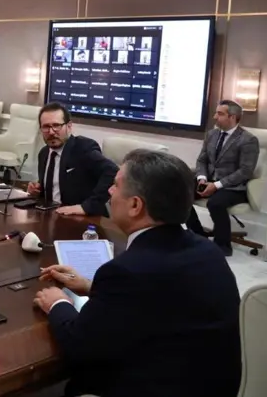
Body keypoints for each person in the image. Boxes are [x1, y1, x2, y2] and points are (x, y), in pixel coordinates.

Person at [34, 149, 241, 397]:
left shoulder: (127, 271)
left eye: (116, 185)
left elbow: (80, 346)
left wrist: (57, 303)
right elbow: (163, 302)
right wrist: (91, 287)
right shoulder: (208, 252)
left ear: (135, 205)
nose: (109, 191)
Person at [186, 100, 260, 256]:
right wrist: (201, 178)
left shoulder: (248, 140)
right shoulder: (211, 134)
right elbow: (202, 160)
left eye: (219, 114)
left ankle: (223, 246)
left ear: (232, 117)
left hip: (234, 186)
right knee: (180, 193)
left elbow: (245, 171)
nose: (214, 117)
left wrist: (217, 185)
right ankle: (198, 235)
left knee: (215, 203)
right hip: (209, 179)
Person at [26, 102, 118, 217]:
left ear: (69, 126)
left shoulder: (83, 148)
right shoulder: (44, 153)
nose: (51, 132)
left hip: (79, 219)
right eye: (46, 127)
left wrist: (86, 207)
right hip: (50, 215)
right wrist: (37, 191)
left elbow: (112, 171)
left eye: (56, 125)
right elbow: (54, 186)